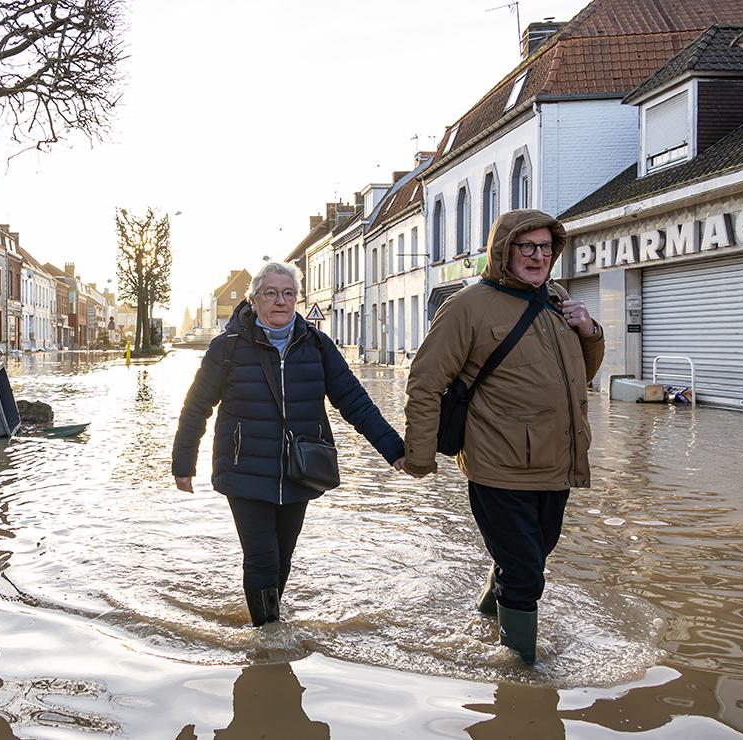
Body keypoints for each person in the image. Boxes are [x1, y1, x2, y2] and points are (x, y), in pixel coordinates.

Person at [402, 209, 605, 665]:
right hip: (498, 466)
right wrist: (419, 457)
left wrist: (589, 331)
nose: (538, 256)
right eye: (527, 246)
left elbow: (578, 377)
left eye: (546, 247)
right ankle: (520, 672)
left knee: (533, 554)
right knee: (526, 571)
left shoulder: (557, 299)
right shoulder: (468, 306)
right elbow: (426, 381)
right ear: (503, 250)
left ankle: (486, 618)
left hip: (557, 462)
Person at [172, 261, 405, 627]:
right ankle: (268, 635)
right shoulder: (228, 348)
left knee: (283, 557)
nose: (280, 301)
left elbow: (354, 401)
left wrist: (395, 450)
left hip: (301, 468)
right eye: (271, 293)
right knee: (261, 556)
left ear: (298, 298)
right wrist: (183, 464)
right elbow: (196, 406)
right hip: (244, 468)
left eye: (288, 294)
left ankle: (269, 616)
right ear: (254, 300)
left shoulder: (316, 344)